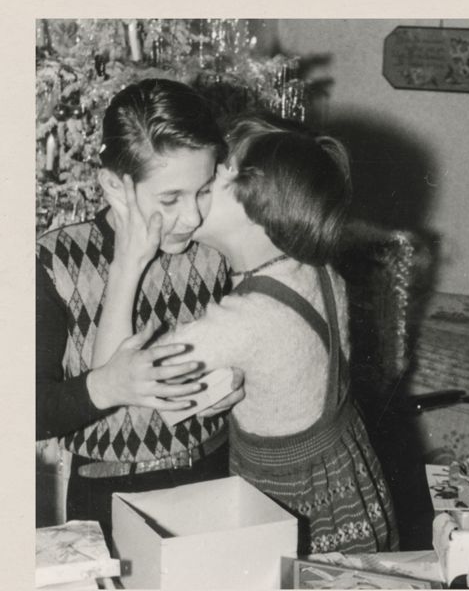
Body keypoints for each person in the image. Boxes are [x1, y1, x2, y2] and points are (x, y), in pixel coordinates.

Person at [93, 115, 399, 554]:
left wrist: (127, 262)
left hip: (297, 506)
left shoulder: (245, 321)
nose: (204, 181)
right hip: (350, 476)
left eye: (217, 176)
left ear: (257, 207)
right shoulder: (313, 269)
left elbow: (113, 375)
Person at [36, 78, 244, 544]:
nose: (192, 217)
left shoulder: (214, 247)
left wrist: (236, 383)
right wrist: (104, 386)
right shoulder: (54, 261)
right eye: (170, 199)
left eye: (203, 190)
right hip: (108, 494)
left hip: (212, 475)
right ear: (114, 185)